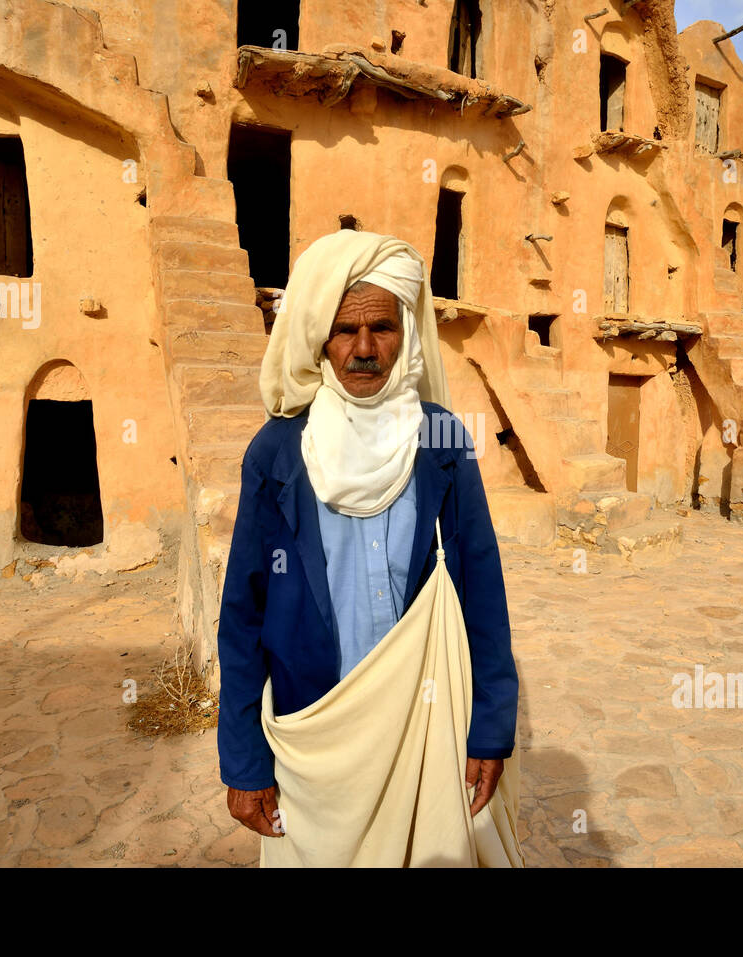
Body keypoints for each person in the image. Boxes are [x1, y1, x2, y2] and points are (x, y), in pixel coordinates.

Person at [216, 229, 522, 867]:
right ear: (318, 338)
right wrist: (243, 760)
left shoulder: (440, 440)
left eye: (381, 328)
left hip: (427, 726)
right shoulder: (277, 453)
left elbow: (483, 595)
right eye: (344, 330)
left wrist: (491, 726)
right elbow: (242, 616)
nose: (362, 350)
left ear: (406, 331)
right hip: (317, 731)